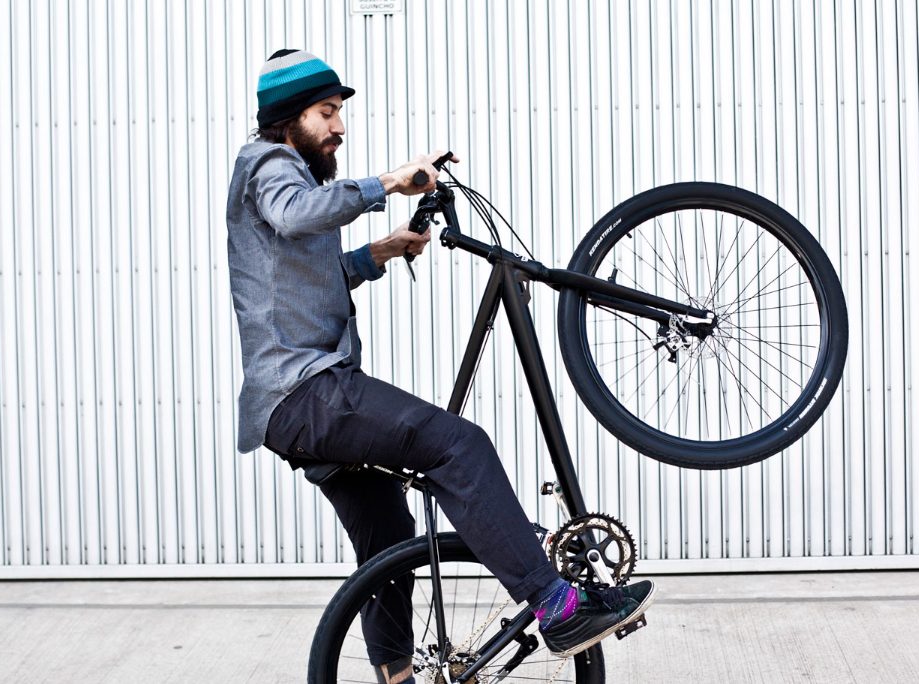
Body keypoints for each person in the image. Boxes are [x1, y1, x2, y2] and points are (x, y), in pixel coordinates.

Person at [226, 49, 655, 682]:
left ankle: (397, 678)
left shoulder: (292, 179)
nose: (339, 126)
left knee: (389, 542)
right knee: (458, 445)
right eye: (327, 112)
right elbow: (295, 215)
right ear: (290, 117)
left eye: (340, 112)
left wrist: (378, 252)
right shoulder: (268, 163)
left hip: (300, 399)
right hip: (306, 392)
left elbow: (304, 278)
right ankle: (556, 604)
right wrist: (390, 182)